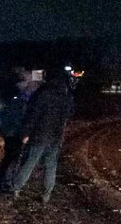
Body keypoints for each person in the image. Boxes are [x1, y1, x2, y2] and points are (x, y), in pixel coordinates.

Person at [10, 69, 74, 203]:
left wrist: (26, 133)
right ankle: (46, 195)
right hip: (56, 137)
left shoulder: (42, 94)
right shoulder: (65, 96)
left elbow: (32, 116)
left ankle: (16, 187)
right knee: (50, 166)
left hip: (39, 135)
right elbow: (68, 115)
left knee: (29, 162)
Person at [0, 69, 37, 191]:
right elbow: (20, 118)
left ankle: (2, 180)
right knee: (12, 158)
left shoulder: (14, 97)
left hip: (10, 132)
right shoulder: (22, 101)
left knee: (9, 157)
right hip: (15, 133)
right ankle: (5, 182)